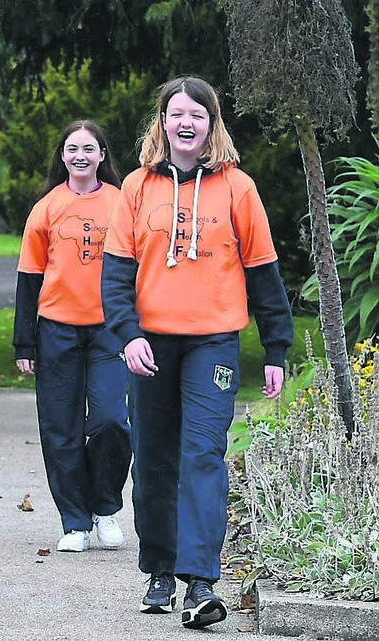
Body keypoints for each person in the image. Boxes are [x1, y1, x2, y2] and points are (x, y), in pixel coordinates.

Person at [101, 76, 294, 628]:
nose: (186, 124)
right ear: (162, 123)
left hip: (214, 343)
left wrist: (276, 347)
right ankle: (160, 571)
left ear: (213, 124)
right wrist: (128, 335)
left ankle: (201, 584)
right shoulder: (137, 186)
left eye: (198, 116)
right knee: (155, 457)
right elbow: (115, 276)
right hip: (150, 345)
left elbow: (264, 274)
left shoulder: (239, 187)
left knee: (204, 455)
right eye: (176, 115)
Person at [13, 120, 132, 553]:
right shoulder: (46, 207)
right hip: (56, 330)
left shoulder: (122, 203)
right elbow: (29, 277)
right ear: (62, 157)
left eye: (88, 148)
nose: (80, 155)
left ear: (102, 155)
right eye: (71, 148)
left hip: (110, 330)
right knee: (60, 429)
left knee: (111, 422)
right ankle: (76, 522)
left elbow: (138, 269)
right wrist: (24, 343)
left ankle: (105, 507)